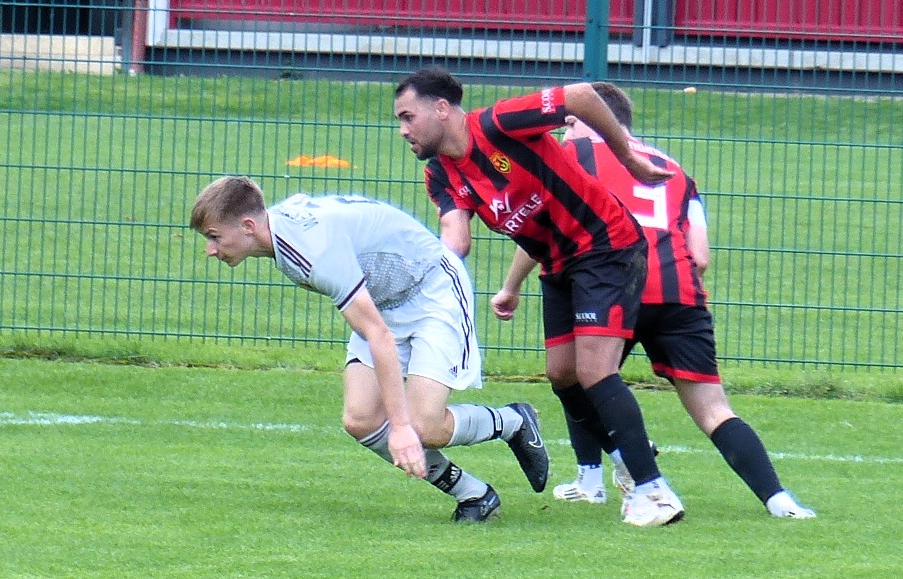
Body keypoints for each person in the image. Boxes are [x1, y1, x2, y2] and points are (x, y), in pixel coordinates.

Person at [392, 66, 683, 527]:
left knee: (594, 370)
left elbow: (581, 95)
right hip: (558, 264)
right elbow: (456, 238)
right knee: (562, 375)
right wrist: (413, 273)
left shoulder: (499, 124)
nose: (403, 130)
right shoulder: (441, 175)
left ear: (442, 109)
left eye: (408, 117)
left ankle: (654, 492)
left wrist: (626, 157)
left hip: (605, 244)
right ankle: (628, 458)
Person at [188, 176, 549, 522]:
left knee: (424, 427)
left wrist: (401, 428)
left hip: (432, 290)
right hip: (382, 300)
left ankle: (513, 421)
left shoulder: (316, 254)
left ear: (248, 226)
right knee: (360, 420)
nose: (210, 249)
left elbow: (379, 336)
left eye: (214, 237)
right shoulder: (279, 229)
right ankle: (475, 495)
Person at [538, 81, 814, 518]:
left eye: (569, 124)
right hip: (679, 291)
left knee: (585, 378)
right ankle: (781, 501)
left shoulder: (576, 156)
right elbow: (700, 256)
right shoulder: (675, 170)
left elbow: (549, 224)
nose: (564, 132)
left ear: (591, 120)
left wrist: (513, 285)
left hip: (611, 283)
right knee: (714, 409)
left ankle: (606, 477)